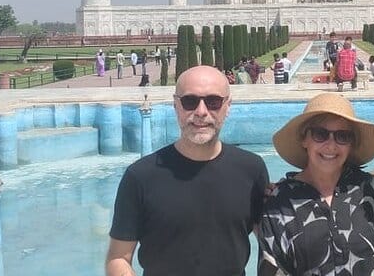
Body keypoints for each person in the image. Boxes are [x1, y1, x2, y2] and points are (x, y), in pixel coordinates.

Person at [106, 65, 269, 275]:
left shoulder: (252, 170)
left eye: (213, 102)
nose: (201, 112)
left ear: (227, 106)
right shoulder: (140, 176)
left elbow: (274, 245)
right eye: (190, 101)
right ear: (176, 105)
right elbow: (118, 257)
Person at [258, 93, 374, 275]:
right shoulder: (279, 202)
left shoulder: (370, 190)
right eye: (320, 134)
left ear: (351, 144)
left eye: (343, 136)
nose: (331, 145)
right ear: (304, 139)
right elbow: (271, 268)